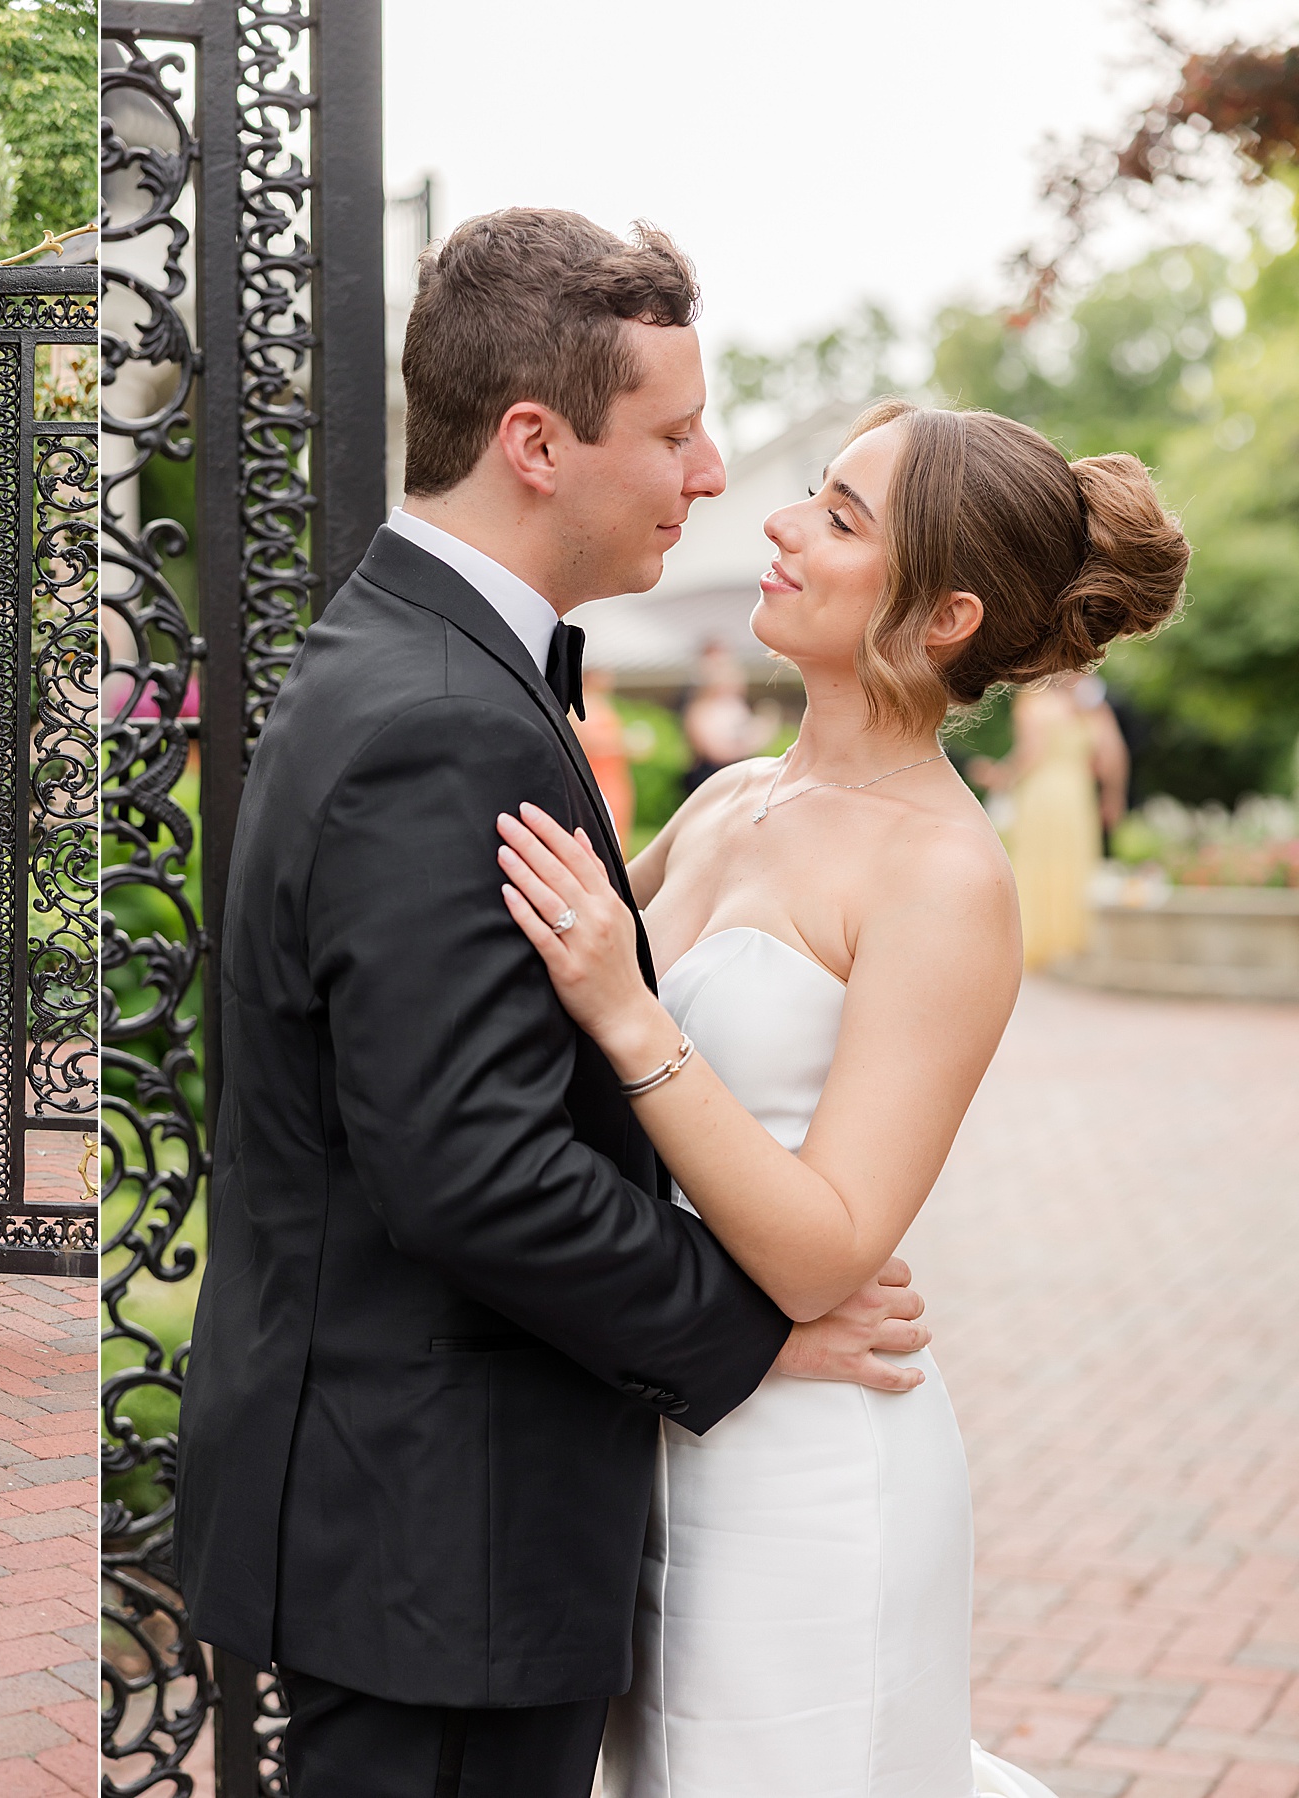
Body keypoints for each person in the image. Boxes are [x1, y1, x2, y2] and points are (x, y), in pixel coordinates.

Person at [174, 209, 931, 1797]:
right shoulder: (439, 718)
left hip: (417, 1513)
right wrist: (752, 1334)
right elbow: (474, 1168)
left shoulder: (411, 660)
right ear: (536, 440)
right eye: (672, 431)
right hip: (442, 1533)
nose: (713, 472)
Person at [493, 398, 1182, 1795]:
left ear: (944, 615)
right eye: (814, 492)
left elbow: (829, 1246)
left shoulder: (944, 875)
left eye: (842, 518)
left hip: (813, 1488)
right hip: (658, 1427)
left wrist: (628, 1011)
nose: (782, 525)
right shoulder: (735, 794)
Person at [972, 675, 1130, 967]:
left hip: (1042, 792)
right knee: (1072, 861)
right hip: (1076, 794)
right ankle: (1069, 941)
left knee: (1036, 861)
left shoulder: (1033, 700)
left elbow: (1031, 754)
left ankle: (1036, 940)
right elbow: (1112, 754)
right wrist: (1113, 796)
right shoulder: (1090, 705)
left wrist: (1002, 777)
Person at [679, 639, 777, 797]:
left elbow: (754, 740)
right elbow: (714, 751)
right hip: (712, 776)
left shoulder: (738, 707)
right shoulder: (701, 709)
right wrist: (747, 744)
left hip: (739, 771)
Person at [574, 663, 637, 844]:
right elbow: (588, 742)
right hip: (598, 776)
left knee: (620, 828)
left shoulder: (605, 703)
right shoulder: (584, 705)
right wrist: (622, 745)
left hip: (615, 776)